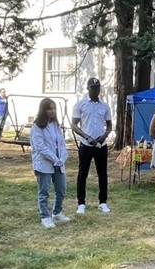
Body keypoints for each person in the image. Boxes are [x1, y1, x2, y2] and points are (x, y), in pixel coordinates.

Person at [71, 77, 112, 214]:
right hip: (86, 144)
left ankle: (103, 202)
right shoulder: (81, 105)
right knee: (83, 173)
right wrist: (86, 136)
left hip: (101, 144)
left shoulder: (105, 106)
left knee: (102, 174)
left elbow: (109, 126)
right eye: (93, 87)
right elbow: (74, 125)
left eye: (98, 87)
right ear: (88, 89)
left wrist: (104, 136)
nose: (96, 90)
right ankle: (81, 203)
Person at [30, 98, 71, 229]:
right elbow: (40, 147)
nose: (52, 111)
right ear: (43, 110)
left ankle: (57, 212)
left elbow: (62, 143)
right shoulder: (37, 127)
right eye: (49, 108)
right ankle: (45, 216)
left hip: (58, 163)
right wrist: (54, 158)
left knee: (61, 189)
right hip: (45, 163)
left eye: (54, 108)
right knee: (44, 192)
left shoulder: (55, 125)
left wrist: (63, 157)